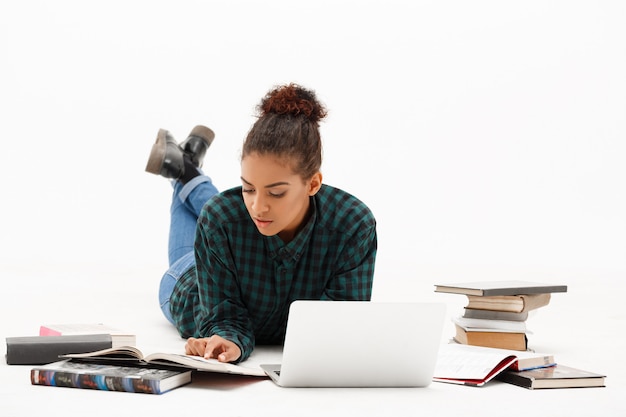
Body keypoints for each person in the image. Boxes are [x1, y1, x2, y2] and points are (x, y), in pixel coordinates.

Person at [146, 83, 377, 364]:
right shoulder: (220, 220)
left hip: (226, 247)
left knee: (227, 213)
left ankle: (184, 168)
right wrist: (229, 339)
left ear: (313, 183)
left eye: (276, 192)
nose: (257, 206)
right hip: (189, 283)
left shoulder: (352, 225)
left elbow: (339, 322)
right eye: (248, 188)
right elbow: (223, 314)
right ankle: (184, 169)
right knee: (217, 217)